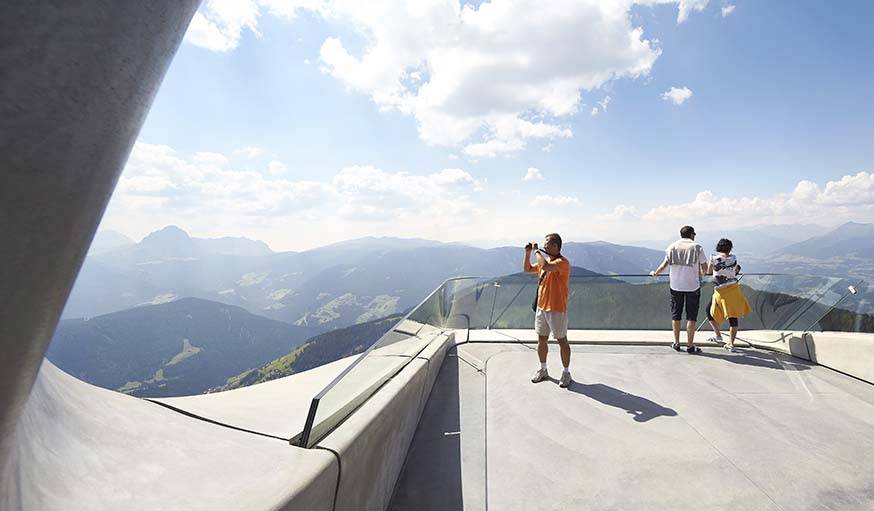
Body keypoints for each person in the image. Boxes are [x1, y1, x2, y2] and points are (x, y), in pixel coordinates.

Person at [650, 225, 708, 353]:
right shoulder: (697, 247)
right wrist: (704, 274)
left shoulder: (672, 247)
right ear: (692, 234)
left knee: (676, 315)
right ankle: (690, 345)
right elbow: (705, 267)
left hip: (675, 286)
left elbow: (664, 264)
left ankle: (676, 343)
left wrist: (656, 273)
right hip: (692, 286)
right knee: (691, 316)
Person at [524, 233, 572, 387]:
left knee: (562, 341)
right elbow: (527, 269)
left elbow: (545, 266)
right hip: (542, 307)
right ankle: (543, 369)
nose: (544, 247)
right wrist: (527, 253)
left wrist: (536, 251)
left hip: (557, 308)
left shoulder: (562, 263)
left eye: (547, 244)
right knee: (541, 340)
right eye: (544, 244)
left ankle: (566, 372)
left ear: (556, 246)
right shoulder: (546, 261)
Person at [705, 238, 751, 352]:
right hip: (734, 290)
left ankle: (718, 335)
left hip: (720, 291)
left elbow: (708, 272)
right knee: (733, 316)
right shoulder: (734, 258)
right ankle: (731, 343)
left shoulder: (713, 258)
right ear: (730, 248)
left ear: (718, 247)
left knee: (709, 311)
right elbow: (735, 270)